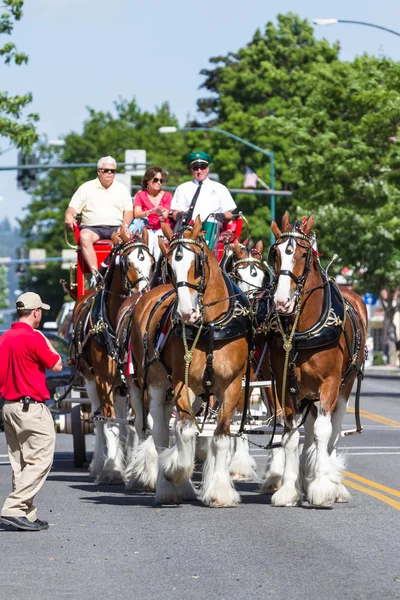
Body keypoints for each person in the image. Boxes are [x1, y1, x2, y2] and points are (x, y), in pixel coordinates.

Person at [0, 292, 62, 532]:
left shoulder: (4, 338)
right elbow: (56, 364)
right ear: (36, 312)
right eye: (41, 311)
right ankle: (14, 507)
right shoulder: (34, 338)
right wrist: (45, 340)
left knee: (20, 463)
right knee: (40, 461)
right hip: (31, 409)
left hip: (9, 408)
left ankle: (26, 514)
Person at [64, 156, 134, 284]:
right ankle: (96, 275)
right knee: (84, 236)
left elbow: (129, 211)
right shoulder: (86, 188)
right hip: (92, 228)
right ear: (99, 171)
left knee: (127, 237)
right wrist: (69, 216)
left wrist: (125, 226)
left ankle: (124, 274)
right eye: (106, 170)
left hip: (115, 228)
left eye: (112, 171)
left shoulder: (121, 189)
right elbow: (73, 207)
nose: (109, 173)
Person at [170, 151, 237, 236]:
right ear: (191, 170)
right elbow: (176, 213)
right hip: (188, 225)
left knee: (211, 226)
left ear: (208, 168)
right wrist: (181, 215)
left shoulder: (220, 188)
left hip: (210, 225)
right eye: (196, 168)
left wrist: (222, 216)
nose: (199, 171)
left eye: (203, 167)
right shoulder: (182, 188)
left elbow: (228, 214)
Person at [133, 167, 172, 261]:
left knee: (158, 242)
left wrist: (159, 214)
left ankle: (158, 270)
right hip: (147, 227)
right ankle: (148, 269)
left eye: (161, 180)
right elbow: (136, 214)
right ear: (148, 181)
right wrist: (150, 211)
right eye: (156, 180)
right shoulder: (140, 195)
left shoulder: (167, 195)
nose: (159, 182)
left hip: (161, 227)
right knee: (149, 241)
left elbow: (165, 216)